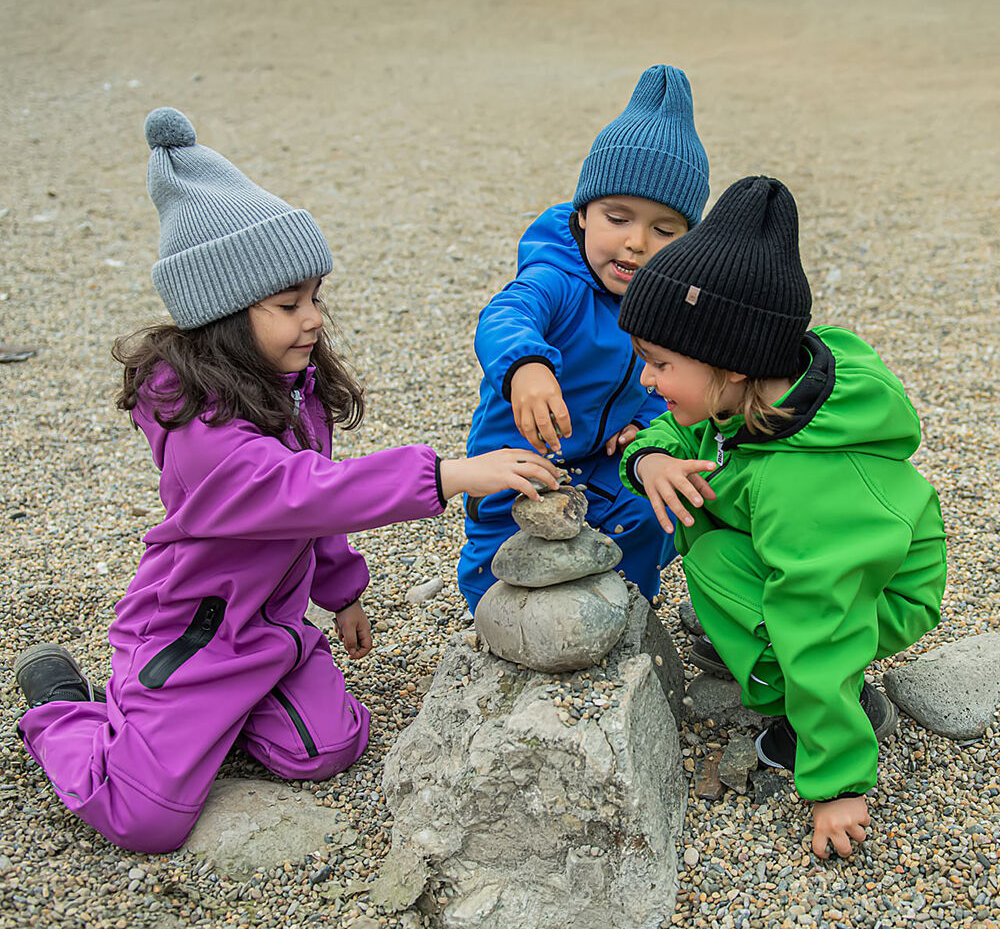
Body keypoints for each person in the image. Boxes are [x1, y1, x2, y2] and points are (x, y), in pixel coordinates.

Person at [13, 107, 559, 854]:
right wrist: (451, 474)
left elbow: (313, 501)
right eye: (289, 304)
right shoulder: (198, 433)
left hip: (269, 633)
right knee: (144, 819)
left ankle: (215, 719)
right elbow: (302, 491)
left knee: (327, 750)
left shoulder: (291, 390)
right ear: (225, 316)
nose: (314, 320)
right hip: (193, 637)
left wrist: (341, 591)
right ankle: (67, 711)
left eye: (315, 297)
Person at [616, 175, 946, 859]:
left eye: (659, 364)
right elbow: (677, 437)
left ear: (730, 365)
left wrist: (837, 787)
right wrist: (649, 460)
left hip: (873, 591)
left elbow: (823, 622)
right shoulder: (765, 387)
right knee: (700, 507)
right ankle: (758, 634)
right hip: (833, 556)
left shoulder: (804, 485)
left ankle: (829, 709)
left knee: (717, 564)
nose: (646, 380)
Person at [458, 65, 710, 612]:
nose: (637, 243)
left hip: (601, 457)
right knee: (501, 561)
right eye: (617, 217)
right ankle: (497, 619)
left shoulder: (665, 299)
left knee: (651, 511)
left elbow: (662, 378)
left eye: (665, 230)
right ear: (582, 215)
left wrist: (646, 422)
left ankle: (629, 608)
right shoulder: (556, 278)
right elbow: (506, 315)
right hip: (518, 459)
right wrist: (526, 365)